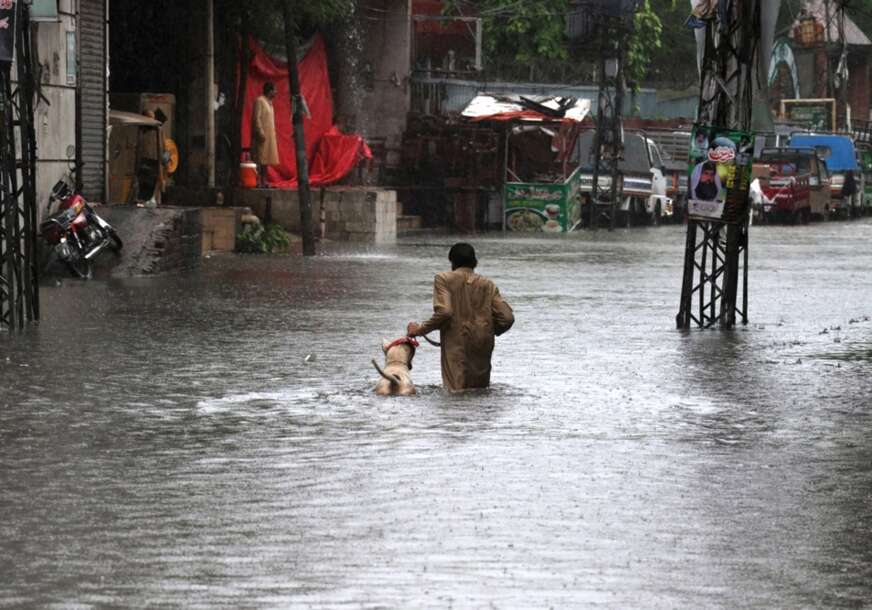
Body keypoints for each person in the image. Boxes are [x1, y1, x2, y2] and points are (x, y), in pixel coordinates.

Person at [406, 243, 515, 391]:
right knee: (479, 391)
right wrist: (489, 328)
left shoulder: (443, 279)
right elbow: (507, 318)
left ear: (452, 261)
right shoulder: (488, 284)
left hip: (455, 340)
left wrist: (419, 330)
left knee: (455, 390)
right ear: (475, 262)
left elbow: (445, 312)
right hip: (483, 341)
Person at [251, 81, 280, 187]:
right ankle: (257, 181)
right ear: (269, 91)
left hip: (269, 136)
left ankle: (264, 181)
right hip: (261, 136)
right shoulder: (260, 101)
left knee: (266, 160)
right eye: (274, 90)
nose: (276, 92)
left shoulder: (270, 103)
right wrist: (260, 132)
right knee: (259, 159)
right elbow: (256, 118)